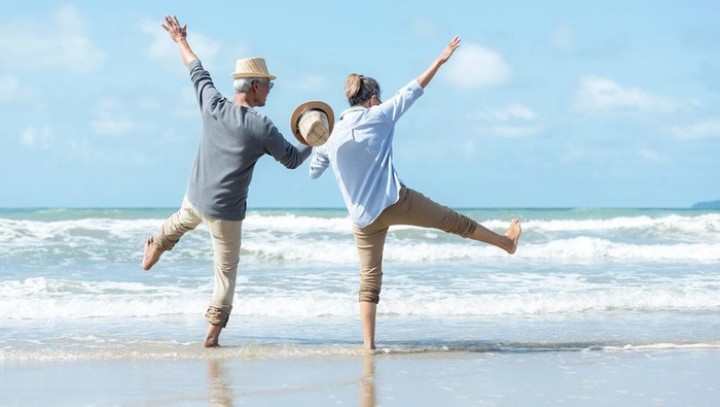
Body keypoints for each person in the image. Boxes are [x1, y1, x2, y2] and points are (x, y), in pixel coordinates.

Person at [309, 36, 522, 350]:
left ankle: (368, 346)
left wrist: (316, 139)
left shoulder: (331, 135)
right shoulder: (379, 115)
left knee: (369, 278)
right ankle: (506, 244)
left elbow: (314, 171)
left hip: (363, 218)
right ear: (372, 99)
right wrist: (440, 60)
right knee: (455, 222)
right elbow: (414, 88)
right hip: (395, 202)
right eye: (378, 99)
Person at [142, 16, 312, 347]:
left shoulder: (212, 103)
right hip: (226, 214)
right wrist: (315, 140)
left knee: (178, 223)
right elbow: (292, 159)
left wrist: (179, 40)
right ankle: (212, 336)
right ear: (254, 86)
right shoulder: (261, 127)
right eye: (268, 84)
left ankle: (154, 249)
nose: (270, 90)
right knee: (225, 275)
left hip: (196, 198)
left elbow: (195, 67)